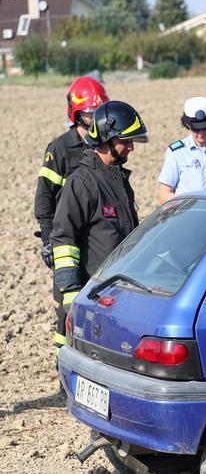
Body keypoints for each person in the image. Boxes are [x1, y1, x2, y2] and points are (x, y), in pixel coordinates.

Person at [50, 101, 147, 340]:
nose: (131, 147)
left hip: (114, 296)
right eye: (126, 141)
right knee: (73, 353)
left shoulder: (118, 179)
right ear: (106, 138)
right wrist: (71, 295)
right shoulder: (82, 183)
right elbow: (63, 240)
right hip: (87, 298)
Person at [36, 76, 108, 349]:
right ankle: (63, 357)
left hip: (98, 238)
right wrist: (48, 239)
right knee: (67, 304)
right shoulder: (60, 149)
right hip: (67, 239)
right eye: (89, 113)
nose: (94, 118)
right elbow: (44, 198)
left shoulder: (103, 145)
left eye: (98, 112)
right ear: (76, 114)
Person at [157, 97, 206, 204]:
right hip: (190, 212)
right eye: (196, 129)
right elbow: (163, 195)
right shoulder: (177, 153)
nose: (201, 133)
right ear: (187, 125)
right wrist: (189, 204)